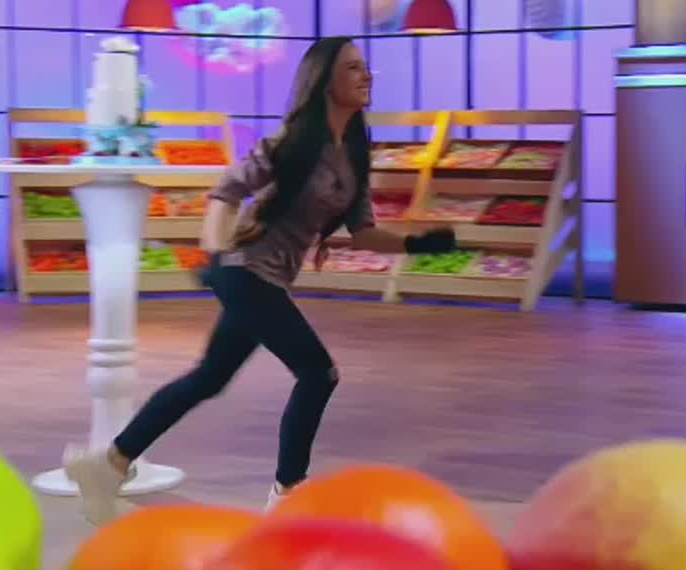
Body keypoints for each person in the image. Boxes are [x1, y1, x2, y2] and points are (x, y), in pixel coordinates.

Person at [63, 37, 457, 524]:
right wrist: (216, 255)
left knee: (209, 378)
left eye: (365, 66)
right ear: (325, 81)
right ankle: (287, 494)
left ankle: (107, 467)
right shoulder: (293, 143)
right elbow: (226, 192)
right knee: (318, 373)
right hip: (245, 271)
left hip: (266, 278)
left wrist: (418, 245)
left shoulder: (355, 153)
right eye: (353, 68)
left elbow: (364, 232)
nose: (366, 75)